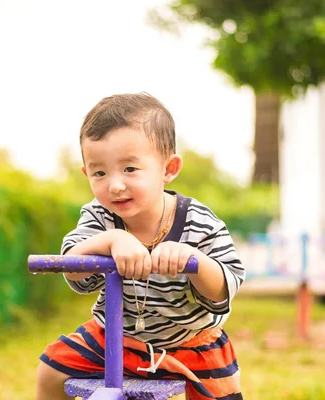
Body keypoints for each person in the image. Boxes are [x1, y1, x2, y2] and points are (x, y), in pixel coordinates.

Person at [36, 93, 245, 400]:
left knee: (219, 394)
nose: (115, 185)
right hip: (115, 338)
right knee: (50, 371)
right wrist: (111, 240)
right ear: (86, 173)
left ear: (168, 168)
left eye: (130, 169)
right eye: (99, 172)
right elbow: (71, 265)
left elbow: (225, 286)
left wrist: (193, 259)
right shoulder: (100, 216)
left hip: (190, 342)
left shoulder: (198, 222)